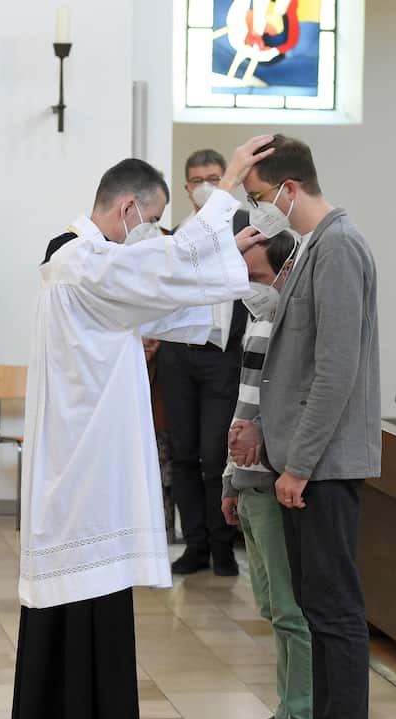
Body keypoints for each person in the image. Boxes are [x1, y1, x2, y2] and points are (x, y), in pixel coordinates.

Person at [11, 138, 271, 719]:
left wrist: (223, 260)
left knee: (89, 598)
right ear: (129, 209)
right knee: (79, 599)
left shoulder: (84, 263)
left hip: (86, 464)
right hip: (83, 469)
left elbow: (167, 299)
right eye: (151, 221)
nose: (152, 233)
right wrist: (228, 189)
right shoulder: (84, 261)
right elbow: (170, 263)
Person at [232, 134, 380, 719]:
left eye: (258, 197)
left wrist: (300, 463)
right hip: (302, 461)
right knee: (315, 606)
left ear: (288, 190)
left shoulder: (340, 246)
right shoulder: (317, 249)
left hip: (324, 464)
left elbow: (336, 370)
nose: (258, 211)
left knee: (336, 611)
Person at [221, 225, 314, 719]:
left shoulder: (284, 320)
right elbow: (242, 403)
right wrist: (229, 479)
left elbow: (276, 410)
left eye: (255, 270)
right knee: (269, 604)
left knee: (288, 608)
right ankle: (284, 710)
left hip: (271, 472)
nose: (249, 282)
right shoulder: (258, 317)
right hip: (247, 478)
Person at [155, 148, 249, 576]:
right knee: (185, 453)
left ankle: (223, 546)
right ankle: (195, 546)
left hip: (222, 357)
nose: (205, 186)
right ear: (188, 188)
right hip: (178, 355)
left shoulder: (248, 228)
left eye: (214, 176)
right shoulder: (178, 236)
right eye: (196, 180)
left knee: (215, 455)